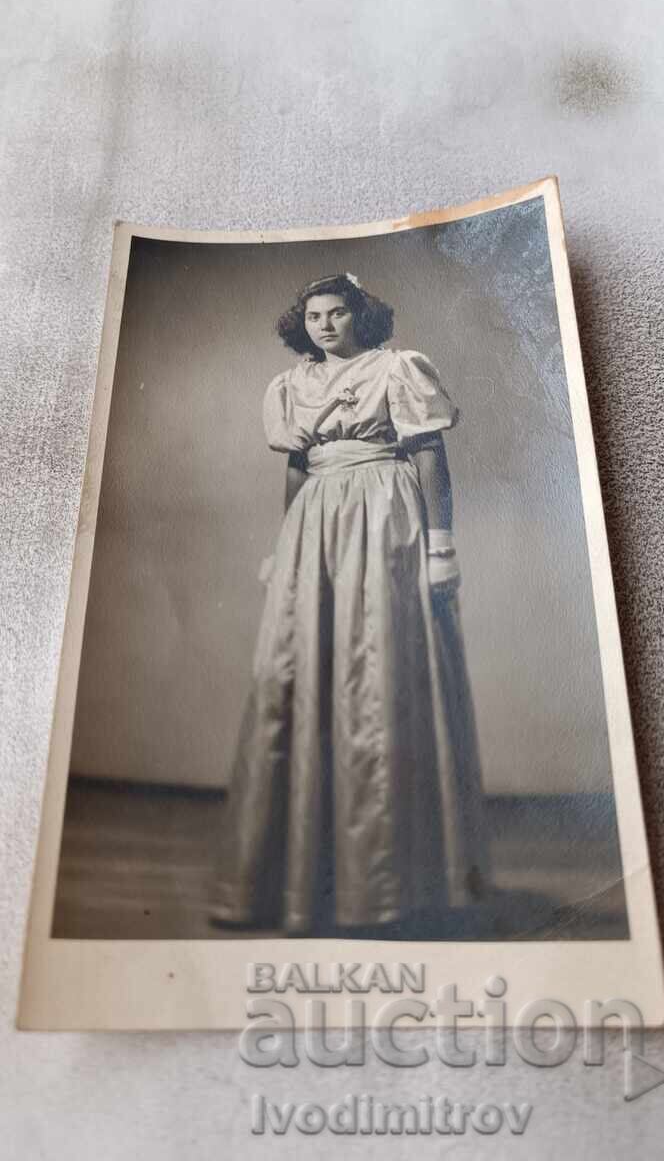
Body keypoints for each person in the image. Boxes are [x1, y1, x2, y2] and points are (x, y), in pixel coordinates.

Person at [210, 272, 491, 935]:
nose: (326, 324)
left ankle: (388, 885)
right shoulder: (291, 386)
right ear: (300, 324)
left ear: (361, 316)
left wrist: (439, 543)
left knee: (377, 676)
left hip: (385, 516)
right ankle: (298, 882)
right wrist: (282, 546)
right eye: (314, 316)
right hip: (314, 527)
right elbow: (297, 469)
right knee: (298, 676)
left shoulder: (397, 369)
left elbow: (428, 457)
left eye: (337, 313)